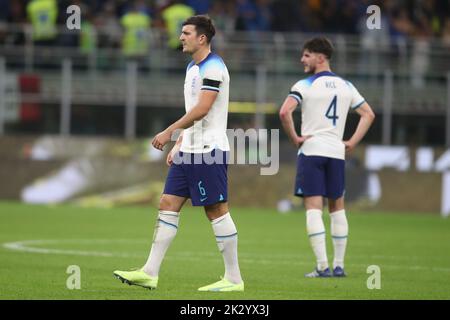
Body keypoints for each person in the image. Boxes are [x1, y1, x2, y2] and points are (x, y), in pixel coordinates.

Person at [114, 15, 244, 292]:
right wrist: (181, 141)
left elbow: (203, 109)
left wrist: (168, 132)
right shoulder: (192, 68)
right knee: (167, 203)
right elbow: (193, 114)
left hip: (209, 150)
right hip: (190, 149)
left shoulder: (213, 67)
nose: (180, 37)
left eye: (186, 33)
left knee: (216, 211)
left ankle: (233, 279)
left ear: (202, 38)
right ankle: (150, 272)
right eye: (181, 33)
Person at [279, 37, 375, 278]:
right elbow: (368, 114)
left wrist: (295, 137)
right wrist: (352, 141)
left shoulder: (305, 84)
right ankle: (340, 265)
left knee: (313, 208)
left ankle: (322, 267)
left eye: (307, 55)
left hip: (312, 151)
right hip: (336, 153)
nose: (302, 59)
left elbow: (284, 111)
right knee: (337, 208)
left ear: (320, 58)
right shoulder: (346, 86)